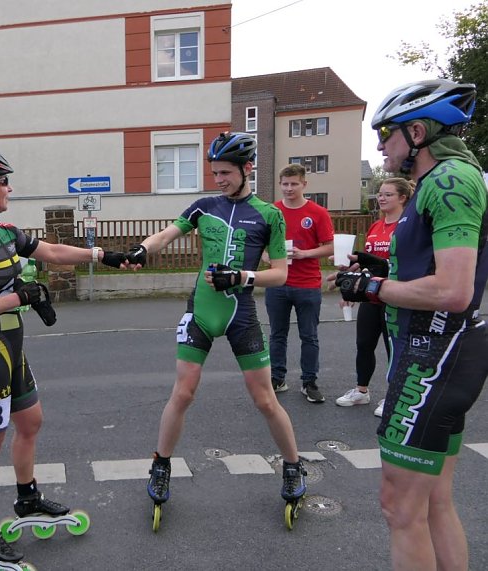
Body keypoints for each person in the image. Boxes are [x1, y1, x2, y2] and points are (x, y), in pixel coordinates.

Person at [0, 147, 126, 566]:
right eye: (2, 181)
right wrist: (19, 296)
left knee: (31, 422)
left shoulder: (4, 230)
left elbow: (52, 252)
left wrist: (103, 255)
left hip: (12, 347)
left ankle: (27, 500)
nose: (9, 187)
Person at [334, 79, 487, 571]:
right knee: (433, 502)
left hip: (433, 353)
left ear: (418, 132)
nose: (380, 146)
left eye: (387, 134)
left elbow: (452, 290)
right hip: (440, 350)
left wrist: (371, 290)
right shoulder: (446, 180)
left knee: (399, 507)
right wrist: (374, 276)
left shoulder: (449, 181)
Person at [124, 132, 307, 516]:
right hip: (201, 311)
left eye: (225, 172)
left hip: (240, 313)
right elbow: (168, 234)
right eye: (214, 172)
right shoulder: (204, 206)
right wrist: (142, 249)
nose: (219, 179)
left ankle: (293, 465)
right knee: (184, 392)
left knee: (264, 399)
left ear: (247, 169)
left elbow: (280, 274)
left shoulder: (269, 215)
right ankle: (161, 464)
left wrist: (241, 277)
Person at [335, 178, 414, 416]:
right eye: (380, 194)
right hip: (371, 296)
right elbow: (366, 264)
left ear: (402, 198)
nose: (381, 198)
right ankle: (361, 391)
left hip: (395, 295)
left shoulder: (407, 226)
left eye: (388, 195)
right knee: (364, 344)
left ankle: (394, 395)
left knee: (394, 348)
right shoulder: (375, 226)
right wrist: (350, 289)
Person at [264, 164, 334, 403]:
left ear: (304, 184)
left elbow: (330, 246)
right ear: (280, 184)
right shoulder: (272, 211)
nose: (289, 188)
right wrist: (270, 258)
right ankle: (277, 378)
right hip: (277, 284)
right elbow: (261, 247)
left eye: (294, 184)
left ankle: (309, 382)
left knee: (309, 336)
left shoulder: (318, 213)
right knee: (277, 334)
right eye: (285, 184)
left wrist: (305, 254)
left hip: (307, 284)